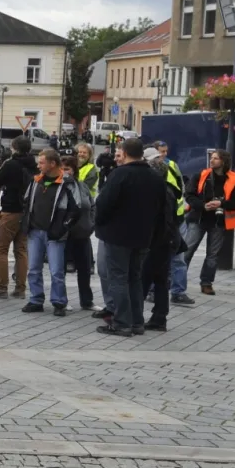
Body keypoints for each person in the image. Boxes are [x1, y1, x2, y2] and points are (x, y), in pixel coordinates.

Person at [95, 138, 166, 337]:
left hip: (117, 234)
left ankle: (122, 323)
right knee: (135, 278)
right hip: (143, 235)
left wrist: (100, 223)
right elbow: (162, 207)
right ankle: (136, 322)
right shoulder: (155, 176)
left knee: (118, 278)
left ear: (125, 153)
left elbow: (104, 203)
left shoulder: (120, 174)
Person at [19, 150, 81, 316]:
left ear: (52, 164)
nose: (38, 165)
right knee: (33, 268)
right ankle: (36, 300)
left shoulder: (67, 182)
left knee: (56, 271)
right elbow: (26, 202)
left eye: (41, 162)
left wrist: (62, 228)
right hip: (35, 231)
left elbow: (76, 209)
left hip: (55, 234)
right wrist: (26, 223)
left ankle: (59, 302)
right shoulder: (36, 180)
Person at [183, 149, 235, 296]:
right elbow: (189, 195)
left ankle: (206, 283)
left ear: (224, 161)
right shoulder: (201, 175)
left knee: (213, 255)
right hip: (198, 219)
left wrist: (221, 204)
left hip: (218, 221)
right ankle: (177, 281)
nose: (212, 160)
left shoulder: (233, 178)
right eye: (212, 157)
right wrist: (203, 205)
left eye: (216, 158)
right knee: (187, 250)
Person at [140, 148, 186, 331]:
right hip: (167, 240)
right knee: (159, 279)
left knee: (144, 278)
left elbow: (161, 220)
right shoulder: (168, 189)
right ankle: (159, 318)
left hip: (159, 242)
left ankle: (135, 316)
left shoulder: (161, 192)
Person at [0, 135, 36, 299]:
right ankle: (20, 288)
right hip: (27, 211)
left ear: (14, 148)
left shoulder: (11, 164)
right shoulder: (33, 164)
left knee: (0, 249)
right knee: (21, 250)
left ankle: (1, 287)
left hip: (10, 210)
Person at [60, 156, 97, 311]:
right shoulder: (58, 186)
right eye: (62, 169)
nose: (64, 172)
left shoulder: (82, 186)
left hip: (82, 233)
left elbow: (92, 206)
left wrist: (91, 224)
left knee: (85, 269)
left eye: (67, 169)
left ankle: (87, 301)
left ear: (74, 170)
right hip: (64, 235)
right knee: (60, 270)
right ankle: (62, 300)